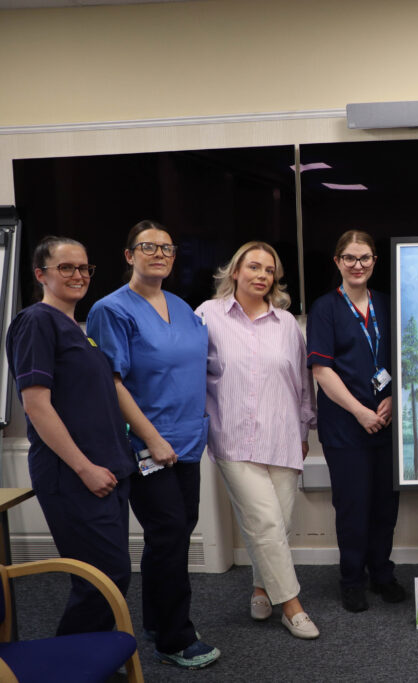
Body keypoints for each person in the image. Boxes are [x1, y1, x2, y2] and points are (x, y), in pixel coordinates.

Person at [86, 220, 220, 669]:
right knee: (168, 534)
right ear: (129, 256)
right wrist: (151, 437)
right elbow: (112, 380)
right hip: (147, 446)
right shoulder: (112, 309)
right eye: (148, 247)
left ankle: (157, 620)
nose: (159, 254)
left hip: (187, 442)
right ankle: (175, 638)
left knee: (175, 534)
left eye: (167, 248)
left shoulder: (183, 308)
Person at [5, 237, 135, 635]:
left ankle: (92, 654)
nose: (78, 275)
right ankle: (69, 660)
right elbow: (37, 407)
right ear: (40, 274)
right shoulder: (35, 322)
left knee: (109, 577)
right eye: (66, 268)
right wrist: (85, 468)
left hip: (108, 470)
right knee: (103, 576)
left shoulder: (78, 330)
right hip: (74, 474)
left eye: (84, 268)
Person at [196, 242, 319, 639]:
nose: (261, 275)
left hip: (283, 438)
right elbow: (192, 373)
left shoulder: (286, 324)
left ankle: (262, 586)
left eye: (269, 269)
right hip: (233, 439)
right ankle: (292, 607)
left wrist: (303, 431)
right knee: (265, 521)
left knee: (275, 526)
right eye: (253, 266)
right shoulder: (207, 316)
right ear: (235, 272)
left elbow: (302, 385)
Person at [306, 230, 404, 613]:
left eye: (364, 258)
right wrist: (360, 412)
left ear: (375, 261)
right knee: (352, 507)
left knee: (385, 506)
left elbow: (401, 359)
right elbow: (322, 371)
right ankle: (351, 579)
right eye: (349, 258)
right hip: (346, 426)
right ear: (337, 262)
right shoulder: (325, 308)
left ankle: (382, 573)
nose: (357, 265)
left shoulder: (388, 304)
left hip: (387, 422)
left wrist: (393, 400)